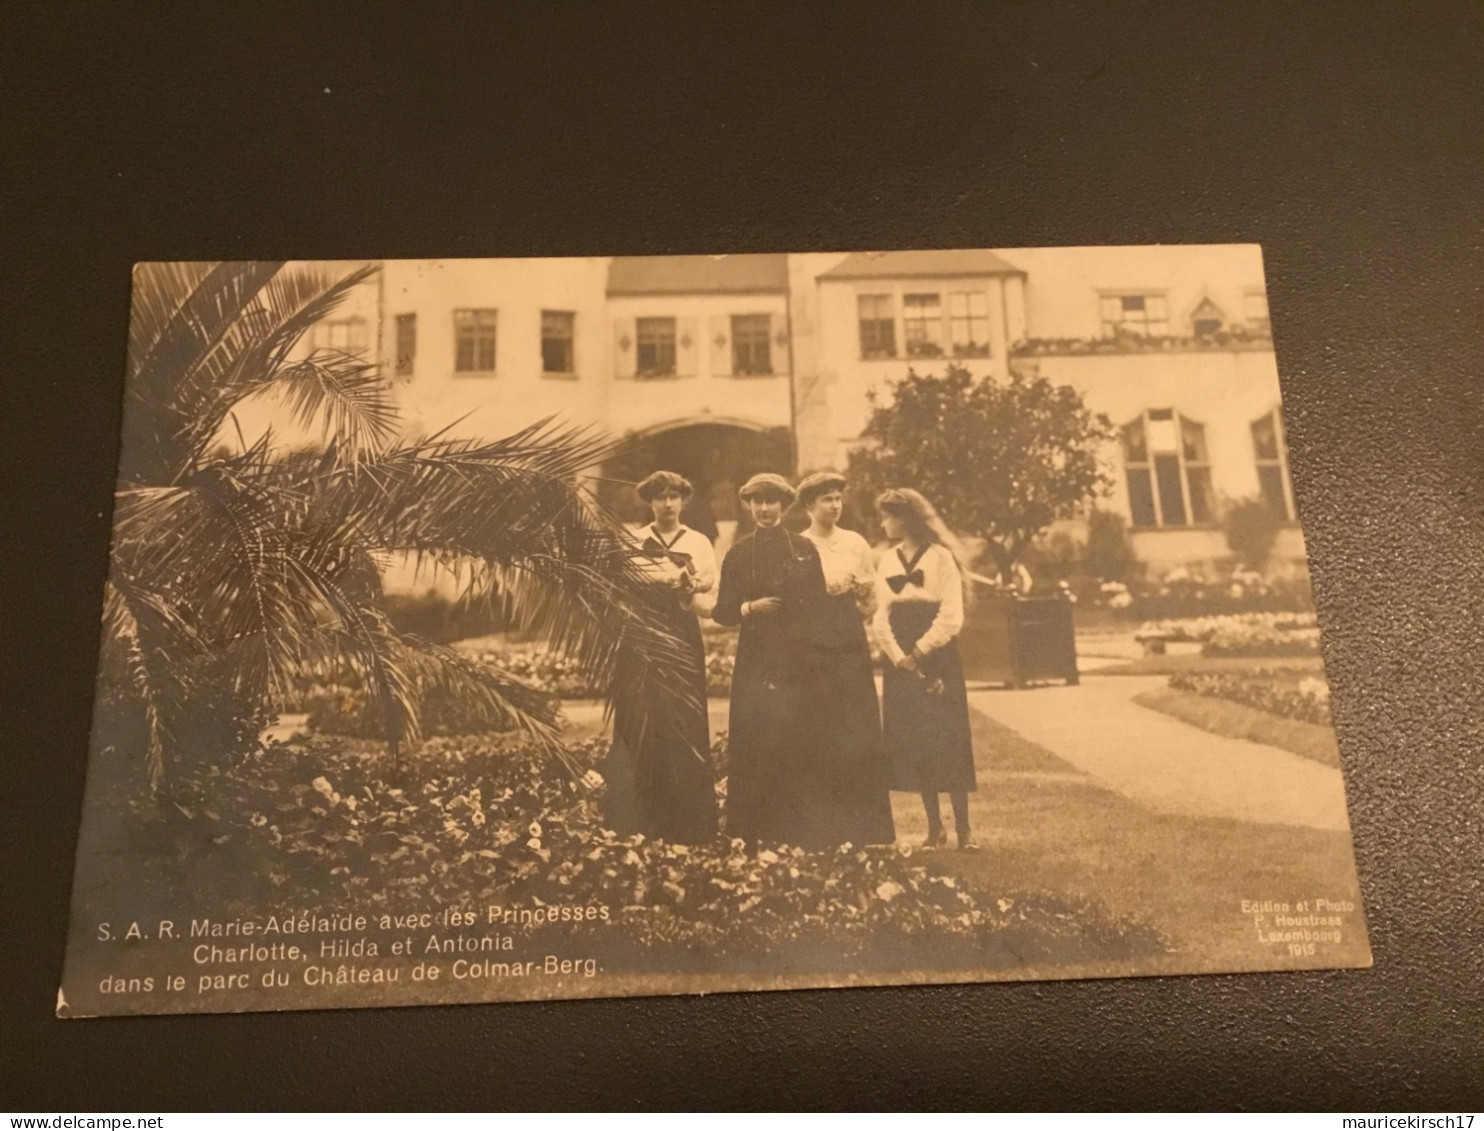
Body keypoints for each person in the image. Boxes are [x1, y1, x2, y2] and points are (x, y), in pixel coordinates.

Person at [711, 472, 827, 847]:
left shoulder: (804, 550)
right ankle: (752, 831)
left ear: (784, 505)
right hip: (756, 657)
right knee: (756, 737)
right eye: (756, 501)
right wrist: (750, 606)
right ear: (748, 505)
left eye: (771, 501)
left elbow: (819, 605)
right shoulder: (740, 552)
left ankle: (800, 831)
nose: (763, 508)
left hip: (796, 656)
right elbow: (722, 611)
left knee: (797, 735)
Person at [602, 470, 718, 844]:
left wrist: (687, 592)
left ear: (684, 501)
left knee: (683, 717)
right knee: (641, 717)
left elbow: (708, 603)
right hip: (641, 636)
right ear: (649, 501)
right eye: (659, 497)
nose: (667, 503)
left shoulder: (699, 543)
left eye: (674, 496)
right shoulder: (634, 540)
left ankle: (688, 822)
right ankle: (637, 819)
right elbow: (618, 588)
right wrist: (657, 582)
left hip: (682, 634)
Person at [872, 488, 979, 851]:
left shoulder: (940, 558)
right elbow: (880, 615)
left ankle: (964, 830)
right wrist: (897, 654)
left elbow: (951, 615)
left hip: (937, 654)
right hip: (899, 655)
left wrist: (919, 651)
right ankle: (935, 829)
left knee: (948, 737)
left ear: (906, 518)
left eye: (888, 516)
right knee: (916, 741)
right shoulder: (886, 561)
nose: (883, 523)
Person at [795, 471, 895, 846]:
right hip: (813, 642)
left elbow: (871, 602)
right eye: (826, 500)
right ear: (809, 506)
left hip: (849, 639)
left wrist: (858, 596)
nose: (834, 506)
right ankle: (821, 827)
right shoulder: (798, 545)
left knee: (856, 726)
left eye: (838, 498)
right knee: (819, 727)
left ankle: (865, 828)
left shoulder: (855, 543)